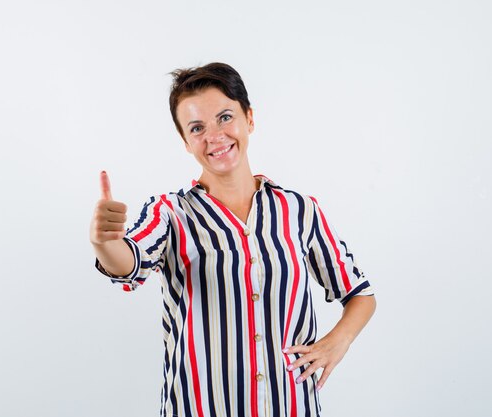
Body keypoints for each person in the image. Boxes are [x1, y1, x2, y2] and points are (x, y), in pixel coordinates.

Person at [89, 62, 376, 417]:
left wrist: (337, 343)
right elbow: (130, 261)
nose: (214, 136)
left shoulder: (299, 210)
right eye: (197, 128)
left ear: (249, 119)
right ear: (185, 141)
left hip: (290, 407)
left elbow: (360, 294)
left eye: (225, 118)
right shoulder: (170, 212)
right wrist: (105, 242)